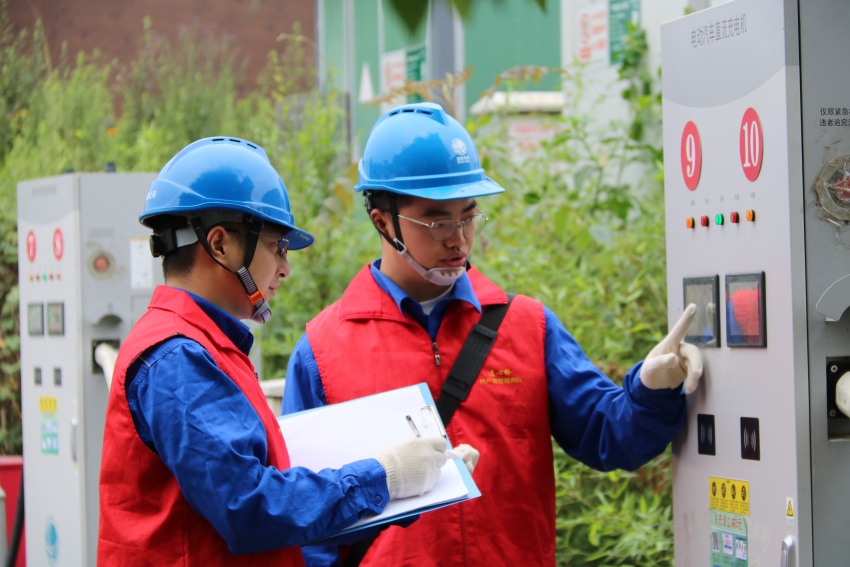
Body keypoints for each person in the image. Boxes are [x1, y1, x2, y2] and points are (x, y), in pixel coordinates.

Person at [282, 102, 703, 566]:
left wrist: (650, 389)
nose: (458, 238)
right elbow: (306, 524)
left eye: (469, 216)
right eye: (437, 221)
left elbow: (608, 435)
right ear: (383, 220)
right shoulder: (324, 349)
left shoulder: (527, 327)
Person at [97, 136, 451, 566]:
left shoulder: (204, 346)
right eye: (276, 246)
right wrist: (385, 475)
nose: (284, 267)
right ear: (221, 244)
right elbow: (247, 506)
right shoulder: (178, 358)